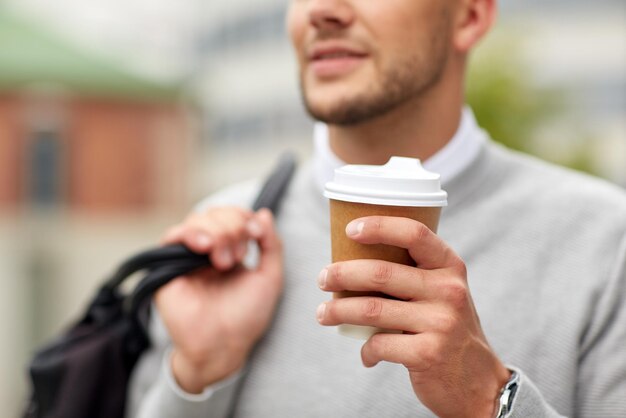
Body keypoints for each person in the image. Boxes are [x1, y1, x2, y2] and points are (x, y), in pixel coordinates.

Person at [127, 0, 626, 417]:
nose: (321, 11)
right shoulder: (217, 240)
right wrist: (196, 375)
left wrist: (490, 399)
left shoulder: (606, 241)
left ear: (470, 16)